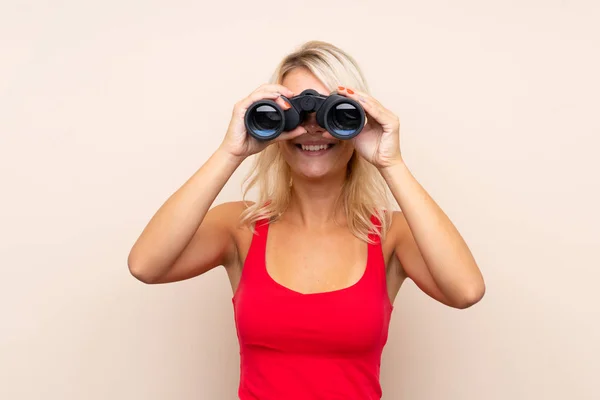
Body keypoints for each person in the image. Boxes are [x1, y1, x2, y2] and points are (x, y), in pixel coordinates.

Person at [127, 40, 486, 399]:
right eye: (295, 113)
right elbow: (146, 265)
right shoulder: (241, 227)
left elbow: (466, 291)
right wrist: (230, 151)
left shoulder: (392, 235)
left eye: (332, 111)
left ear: (358, 116)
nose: (312, 128)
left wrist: (391, 162)